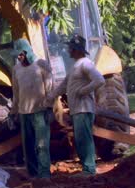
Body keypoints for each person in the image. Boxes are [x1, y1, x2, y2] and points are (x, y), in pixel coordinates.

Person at [46, 34, 105, 176]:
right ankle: (87, 168)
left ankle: (90, 170)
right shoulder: (75, 67)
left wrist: (82, 91)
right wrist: (51, 96)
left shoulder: (86, 63)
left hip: (84, 109)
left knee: (84, 139)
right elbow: (64, 85)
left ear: (77, 50)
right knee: (80, 139)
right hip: (77, 110)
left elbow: (99, 80)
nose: (68, 50)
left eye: (71, 48)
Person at [10, 39, 53, 178]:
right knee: (27, 147)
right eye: (17, 55)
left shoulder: (41, 64)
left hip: (40, 112)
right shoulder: (16, 70)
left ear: (26, 52)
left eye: (20, 54)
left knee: (41, 145)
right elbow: (16, 93)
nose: (18, 57)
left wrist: (50, 108)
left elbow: (50, 89)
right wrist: (13, 112)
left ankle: (44, 174)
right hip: (24, 113)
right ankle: (33, 174)